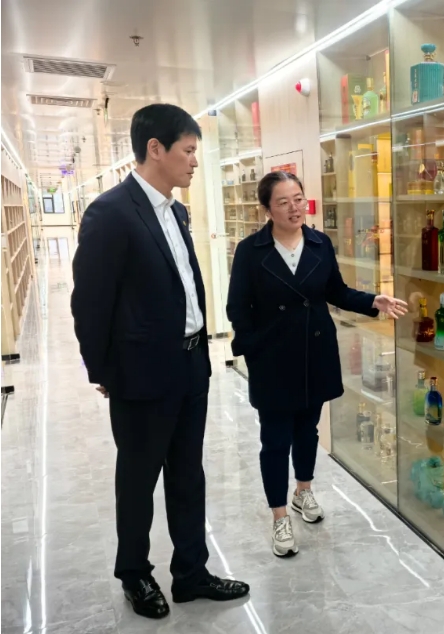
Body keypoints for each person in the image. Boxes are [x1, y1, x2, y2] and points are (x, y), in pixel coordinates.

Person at [71, 104, 249, 619]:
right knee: (139, 479)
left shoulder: (176, 211)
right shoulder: (111, 213)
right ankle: (134, 573)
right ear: (156, 149)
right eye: (188, 150)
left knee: (188, 475)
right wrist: (103, 370)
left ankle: (191, 573)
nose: (194, 161)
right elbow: (90, 303)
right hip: (142, 375)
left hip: (191, 367)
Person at [226, 170, 407, 557]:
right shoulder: (250, 250)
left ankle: (303, 492)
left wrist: (373, 301)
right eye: (283, 202)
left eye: (298, 199)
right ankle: (279, 517)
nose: (294, 208)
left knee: (307, 431)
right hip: (272, 358)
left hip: (314, 351)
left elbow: (335, 291)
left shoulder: (319, 243)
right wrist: (254, 349)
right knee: (275, 440)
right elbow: (237, 308)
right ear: (267, 209)